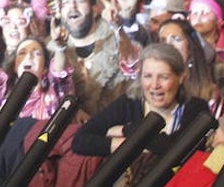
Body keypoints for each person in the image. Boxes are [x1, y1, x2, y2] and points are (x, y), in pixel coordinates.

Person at [73, 43, 211, 157]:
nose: (155, 85)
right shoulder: (129, 103)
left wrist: (127, 130)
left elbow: (178, 150)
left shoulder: (197, 108)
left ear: (181, 77)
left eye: (163, 77)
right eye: (148, 76)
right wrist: (130, 146)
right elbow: (80, 141)